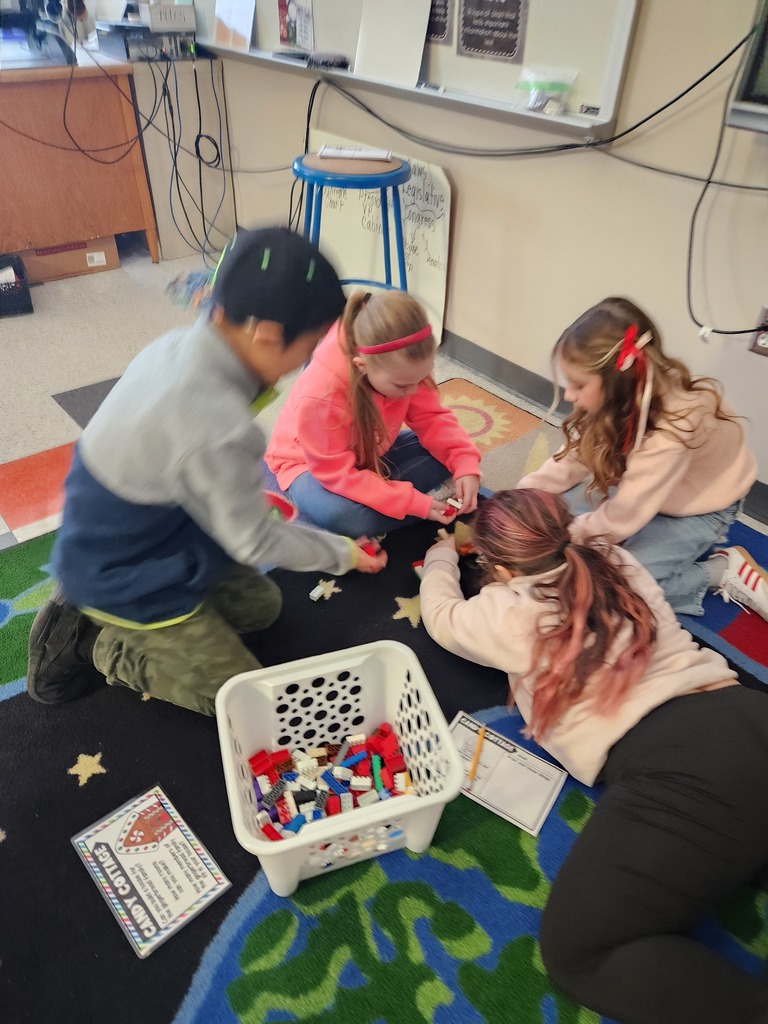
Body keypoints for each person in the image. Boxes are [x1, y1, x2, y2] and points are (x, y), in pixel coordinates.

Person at [419, 487, 768, 1024]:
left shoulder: (504, 613)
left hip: (681, 770)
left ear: (498, 569)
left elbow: (441, 613)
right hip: (743, 707)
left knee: (581, 955)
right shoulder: (614, 557)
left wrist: (444, 554)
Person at [26, 227, 387, 717]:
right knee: (240, 701)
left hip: (158, 527)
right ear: (266, 335)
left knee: (264, 610)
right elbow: (255, 543)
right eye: (306, 352)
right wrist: (340, 552)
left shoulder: (186, 346)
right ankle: (97, 643)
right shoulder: (216, 424)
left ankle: (110, 603)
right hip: (126, 575)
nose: (302, 366)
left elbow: (202, 481)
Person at [517, 296, 768, 620]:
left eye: (578, 385)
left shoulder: (674, 428)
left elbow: (623, 517)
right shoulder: (616, 401)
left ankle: (722, 569)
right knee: (551, 517)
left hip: (699, 509)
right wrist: (523, 497)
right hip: (642, 490)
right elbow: (571, 460)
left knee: (617, 589)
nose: (569, 395)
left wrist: (564, 542)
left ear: (617, 382)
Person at [265, 289, 482, 538]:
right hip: (308, 465)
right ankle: (405, 498)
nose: (413, 391)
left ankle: (392, 494)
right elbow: (335, 473)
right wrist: (413, 503)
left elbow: (431, 418)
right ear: (362, 366)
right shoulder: (322, 394)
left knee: (460, 454)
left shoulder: (407, 368)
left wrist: (465, 465)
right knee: (347, 518)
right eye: (402, 386)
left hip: (369, 449)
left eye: (422, 377)